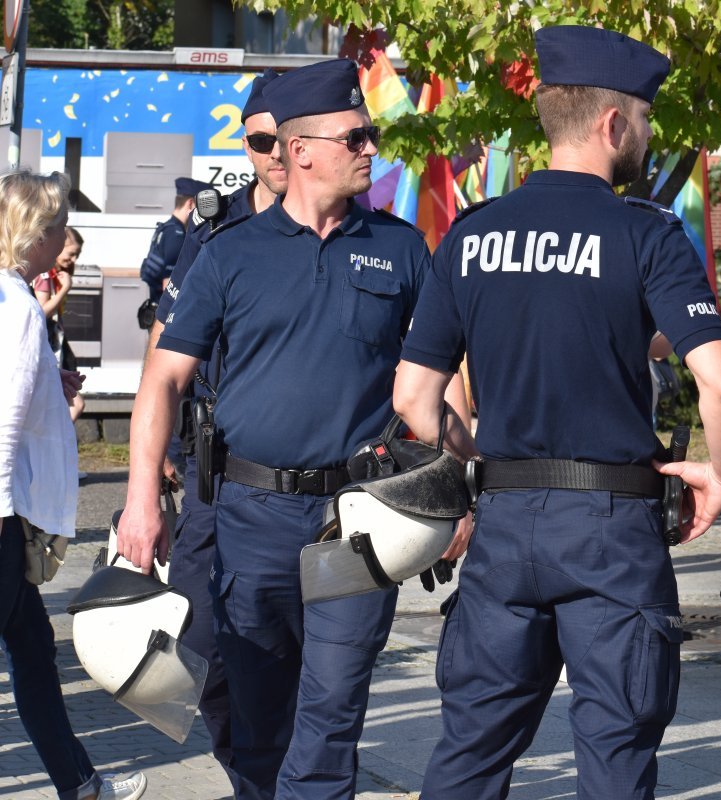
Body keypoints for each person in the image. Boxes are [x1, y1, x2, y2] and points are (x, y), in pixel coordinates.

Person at [392, 24, 721, 799]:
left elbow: (413, 400)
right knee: (616, 754)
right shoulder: (644, 234)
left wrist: (479, 457)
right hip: (610, 531)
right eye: (645, 119)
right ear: (613, 123)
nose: (649, 136)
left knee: (471, 750)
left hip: (505, 517)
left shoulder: (472, 233)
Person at [116, 59, 466, 800]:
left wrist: (456, 487)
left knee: (332, 713)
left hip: (357, 524)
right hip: (251, 517)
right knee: (256, 714)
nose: (372, 149)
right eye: (356, 136)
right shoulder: (229, 254)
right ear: (301, 149)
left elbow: (439, 378)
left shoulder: (402, 250)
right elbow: (164, 379)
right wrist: (140, 499)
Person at [140, 68, 286, 795]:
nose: (273, 155)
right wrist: (156, 462)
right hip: (214, 475)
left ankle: (284, 777)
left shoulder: (353, 233)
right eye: (258, 141)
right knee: (201, 647)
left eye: (281, 140)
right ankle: (253, 774)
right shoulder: (216, 226)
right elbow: (166, 346)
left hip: (307, 484)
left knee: (301, 659)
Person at [1, 170, 147, 800]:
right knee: (30, 650)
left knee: (34, 649)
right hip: (4, 514)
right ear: (32, 233)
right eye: (57, 225)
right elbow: (5, 415)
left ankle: (80, 782)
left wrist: (45, 389)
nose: (65, 237)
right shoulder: (19, 308)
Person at [32, 226, 86, 424]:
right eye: (71, 254)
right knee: (76, 404)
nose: (73, 260)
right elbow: (42, 311)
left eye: (77, 255)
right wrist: (65, 290)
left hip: (55, 341)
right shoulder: (45, 276)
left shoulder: (55, 274)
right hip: (47, 344)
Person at [139, 176, 211, 304]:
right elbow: (169, 285)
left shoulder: (166, 228)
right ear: (190, 203)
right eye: (201, 206)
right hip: (165, 312)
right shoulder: (176, 234)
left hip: (157, 304)